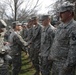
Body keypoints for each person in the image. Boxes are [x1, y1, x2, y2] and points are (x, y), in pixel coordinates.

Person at [48, 1, 76, 75]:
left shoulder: (74, 27)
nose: (59, 15)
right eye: (59, 12)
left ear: (70, 13)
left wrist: (66, 68)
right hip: (55, 64)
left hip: (64, 67)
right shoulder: (60, 26)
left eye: (62, 12)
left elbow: (73, 51)